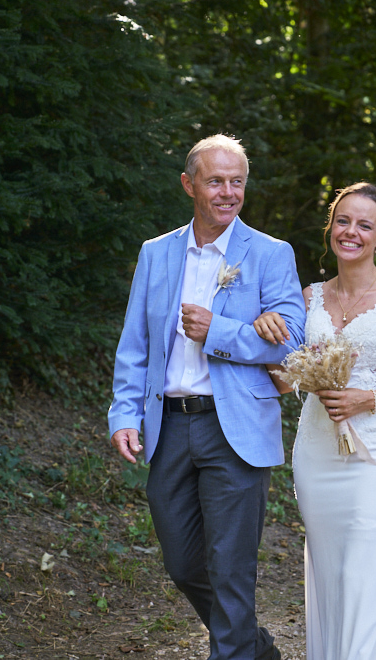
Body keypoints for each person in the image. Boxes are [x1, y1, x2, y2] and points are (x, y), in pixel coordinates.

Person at [108, 134, 306, 660]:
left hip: (235, 425)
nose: (228, 192)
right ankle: (254, 649)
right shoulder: (156, 253)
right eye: (215, 181)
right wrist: (124, 413)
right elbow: (135, 344)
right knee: (183, 564)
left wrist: (217, 330)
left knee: (231, 567)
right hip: (169, 426)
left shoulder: (270, 253)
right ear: (188, 184)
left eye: (236, 182)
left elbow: (294, 341)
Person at [253, 182, 376, 660]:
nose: (351, 232)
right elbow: (284, 380)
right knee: (333, 574)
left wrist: (365, 399)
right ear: (331, 228)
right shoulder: (307, 297)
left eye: (364, 225)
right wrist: (265, 334)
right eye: (343, 221)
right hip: (317, 451)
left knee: (365, 571)